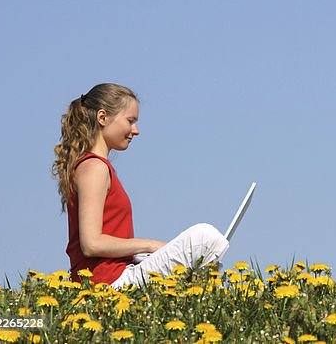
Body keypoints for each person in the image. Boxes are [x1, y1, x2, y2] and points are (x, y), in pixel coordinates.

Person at [52, 83, 229, 288]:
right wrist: (150, 245)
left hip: (122, 272)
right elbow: (91, 244)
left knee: (204, 248)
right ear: (102, 118)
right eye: (130, 121)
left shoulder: (98, 167)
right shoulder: (94, 168)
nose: (135, 130)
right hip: (107, 283)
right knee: (205, 236)